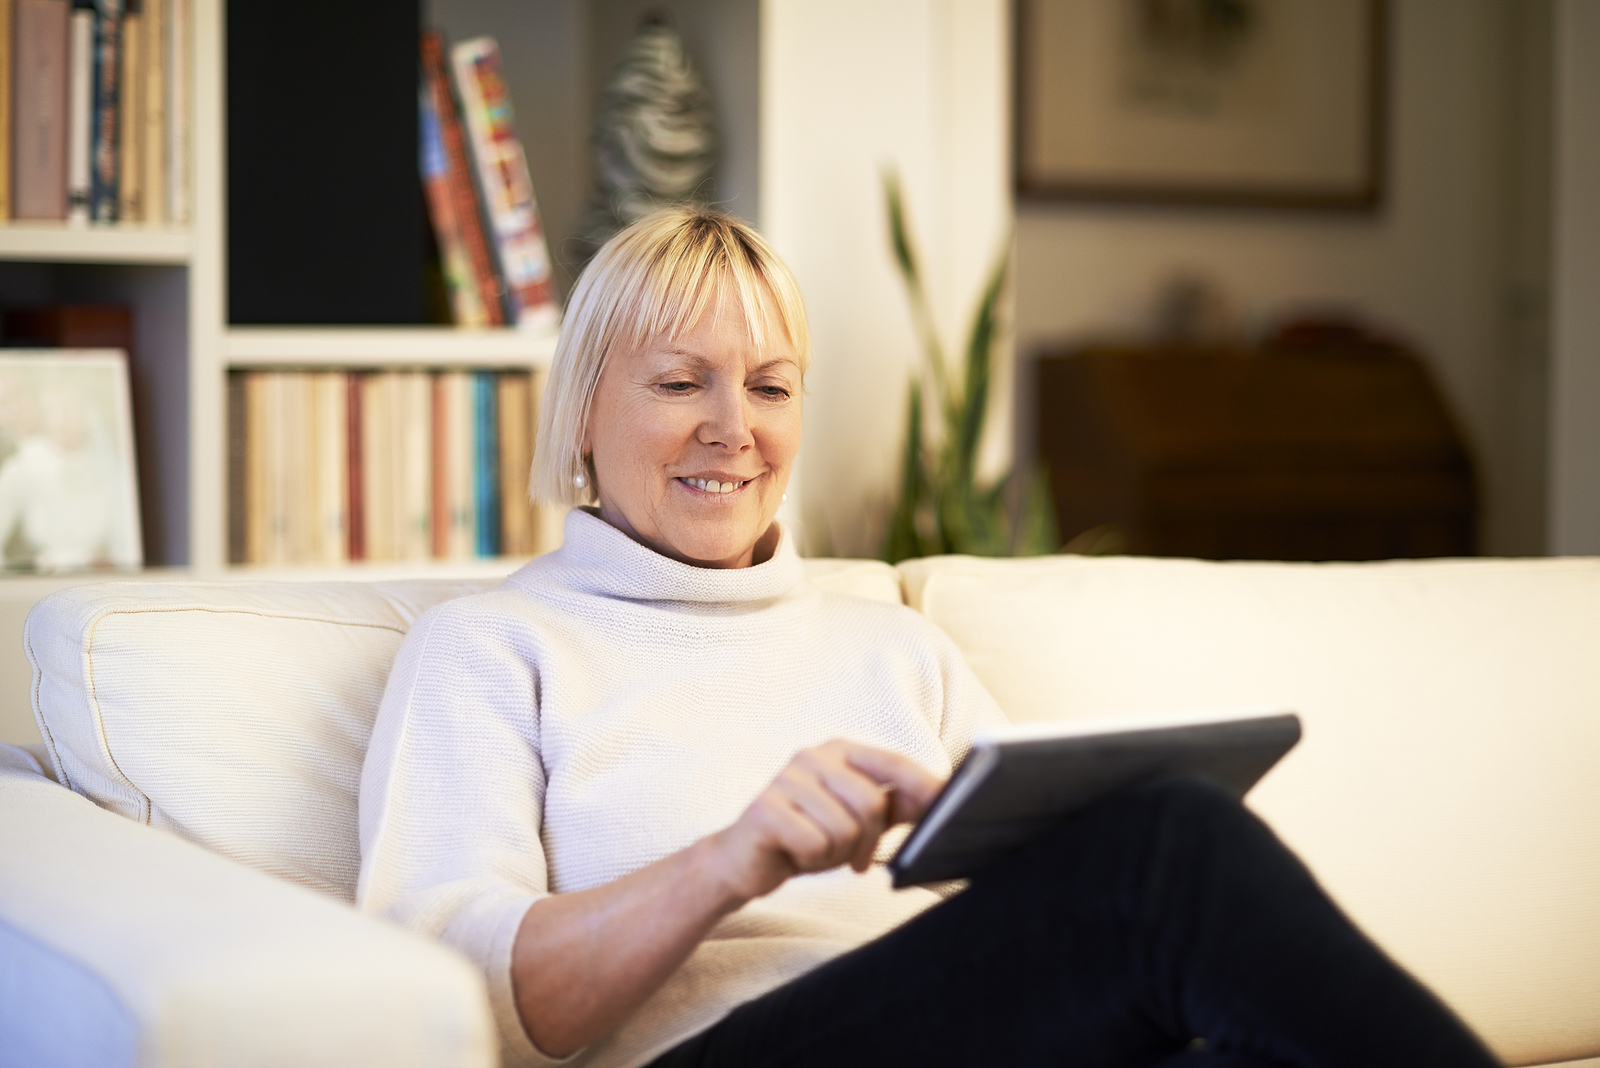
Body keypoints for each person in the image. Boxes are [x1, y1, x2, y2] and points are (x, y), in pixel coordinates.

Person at [357, 207, 1499, 1068]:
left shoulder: (892, 650)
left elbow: (1033, 933)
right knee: (1168, 848)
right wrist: (731, 858)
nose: (732, 428)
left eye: (769, 386)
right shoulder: (494, 646)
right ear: (583, 414)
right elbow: (463, 1001)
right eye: (678, 382)